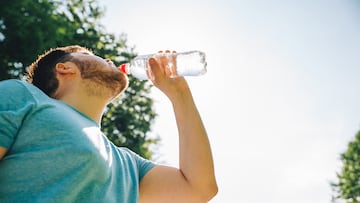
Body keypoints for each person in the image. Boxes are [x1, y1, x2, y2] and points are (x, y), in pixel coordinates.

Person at [0, 45, 218, 203]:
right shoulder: (23, 95)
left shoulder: (128, 164)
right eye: (93, 55)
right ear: (65, 68)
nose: (110, 61)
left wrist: (180, 94)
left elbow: (198, 188)